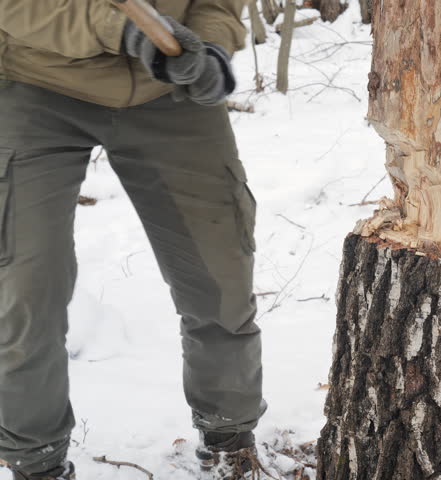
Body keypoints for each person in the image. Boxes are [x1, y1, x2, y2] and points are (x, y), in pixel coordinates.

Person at [0, 1, 265, 479]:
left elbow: (217, 5)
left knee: (219, 278)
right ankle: (35, 464)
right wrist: (122, 30)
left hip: (167, 85)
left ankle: (230, 444)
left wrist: (210, 49)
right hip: (35, 81)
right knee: (24, 290)